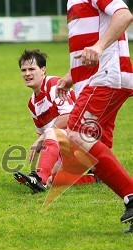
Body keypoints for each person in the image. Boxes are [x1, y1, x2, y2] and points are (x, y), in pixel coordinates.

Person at [55, 0, 133, 232]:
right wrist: (72, 74)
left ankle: (131, 196)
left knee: (78, 134)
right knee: (97, 145)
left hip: (106, 77)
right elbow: (86, 40)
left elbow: (124, 15)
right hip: (95, 79)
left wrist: (99, 47)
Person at [13, 49, 98, 193]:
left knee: (50, 133)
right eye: (24, 70)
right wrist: (41, 140)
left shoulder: (53, 84)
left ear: (43, 69)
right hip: (66, 144)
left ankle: (39, 178)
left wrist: (42, 137)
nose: (27, 74)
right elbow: (45, 139)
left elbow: (68, 117)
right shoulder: (32, 104)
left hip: (83, 139)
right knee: (53, 179)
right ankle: (95, 178)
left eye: (32, 69)